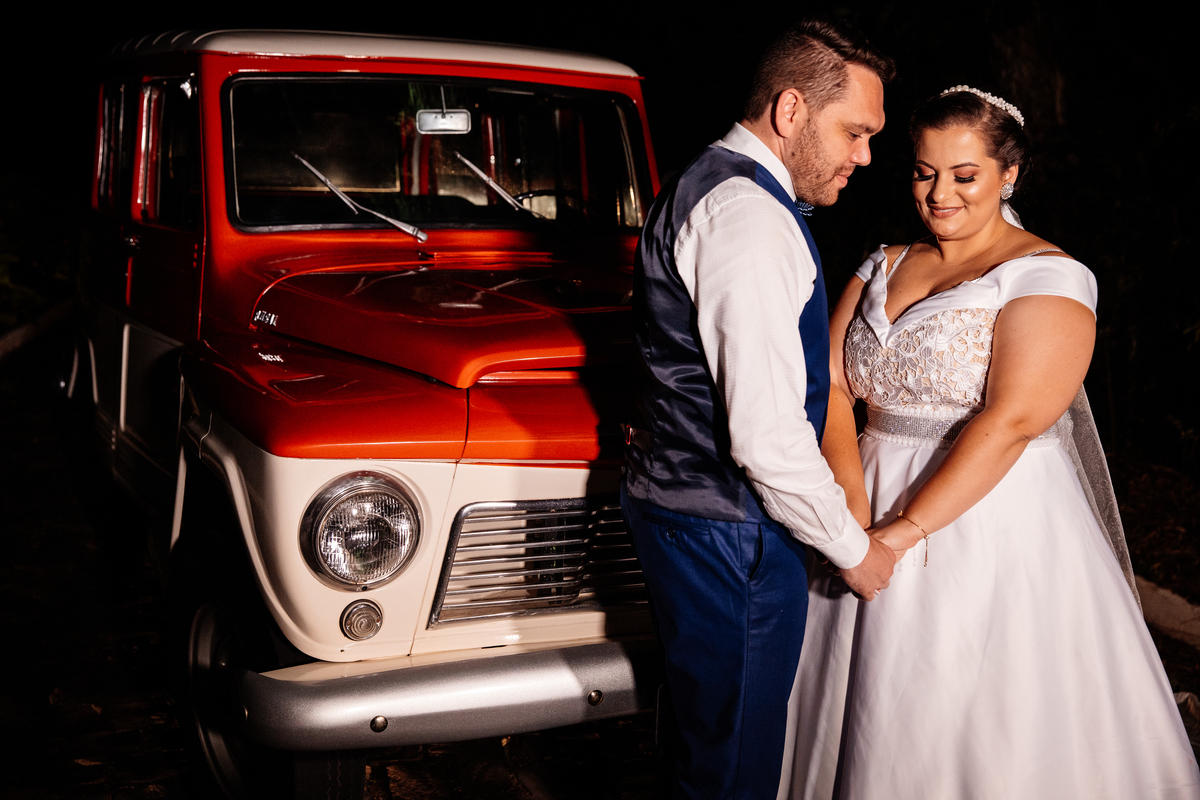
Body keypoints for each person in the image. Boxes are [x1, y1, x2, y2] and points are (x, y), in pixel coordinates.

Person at [785, 86, 1200, 799]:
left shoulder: (1049, 275)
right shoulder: (879, 262)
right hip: (858, 497)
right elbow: (829, 382)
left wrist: (902, 533)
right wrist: (850, 500)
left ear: (1010, 174)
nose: (938, 193)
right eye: (923, 171)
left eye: (964, 174)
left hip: (987, 519)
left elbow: (1011, 421)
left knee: (960, 700)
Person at [620, 19, 896, 800]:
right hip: (727, 532)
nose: (864, 156)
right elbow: (767, 439)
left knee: (702, 744)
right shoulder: (748, 218)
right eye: (854, 132)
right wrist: (853, 549)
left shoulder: (706, 182)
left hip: (683, 511)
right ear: (790, 110)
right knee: (733, 767)